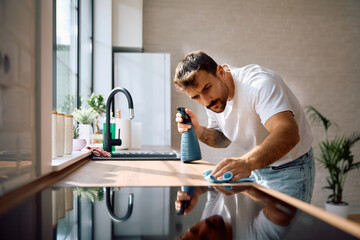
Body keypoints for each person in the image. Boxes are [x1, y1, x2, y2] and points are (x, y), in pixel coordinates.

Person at [174, 50, 315, 202]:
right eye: (196, 97)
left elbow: (288, 133)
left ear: (220, 72)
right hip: (256, 168)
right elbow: (223, 139)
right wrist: (198, 130)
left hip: (290, 169)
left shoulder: (259, 84)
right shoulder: (214, 99)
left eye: (206, 88)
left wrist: (246, 162)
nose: (205, 101)